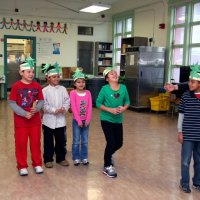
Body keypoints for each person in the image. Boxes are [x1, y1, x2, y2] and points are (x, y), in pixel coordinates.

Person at [9, 57, 44, 176]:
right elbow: (12, 103)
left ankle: (37, 163)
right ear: (21, 72)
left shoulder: (37, 86)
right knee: (21, 143)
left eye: (32, 71)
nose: (31, 74)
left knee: (35, 143)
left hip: (35, 121)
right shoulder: (16, 86)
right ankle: (22, 165)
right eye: (28, 71)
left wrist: (37, 109)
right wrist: (24, 113)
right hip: (21, 122)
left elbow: (41, 101)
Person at [96, 67, 130, 178]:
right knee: (111, 142)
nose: (114, 74)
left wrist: (124, 108)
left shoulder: (123, 88)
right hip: (106, 119)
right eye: (111, 74)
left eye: (115, 73)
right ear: (107, 79)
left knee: (119, 143)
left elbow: (127, 102)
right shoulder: (104, 89)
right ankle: (107, 166)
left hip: (118, 119)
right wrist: (110, 110)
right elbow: (98, 103)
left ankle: (108, 155)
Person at [42, 63, 70, 168]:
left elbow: (67, 101)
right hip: (48, 121)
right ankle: (48, 159)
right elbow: (44, 105)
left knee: (60, 141)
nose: (56, 78)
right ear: (48, 78)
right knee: (48, 141)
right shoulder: (44, 91)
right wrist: (54, 110)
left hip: (60, 121)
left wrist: (63, 108)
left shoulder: (62, 89)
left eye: (58, 76)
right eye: (54, 77)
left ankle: (61, 158)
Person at [178, 64, 200, 193]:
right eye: (189, 81)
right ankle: (184, 182)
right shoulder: (186, 96)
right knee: (185, 161)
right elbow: (181, 115)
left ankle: (197, 182)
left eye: (193, 82)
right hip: (188, 135)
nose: (190, 84)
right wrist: (180, 132)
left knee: (199, 160)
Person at [70, 68, 92, 166]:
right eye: (78, 82)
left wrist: (87, 119)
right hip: (76, 121)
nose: (81, 84)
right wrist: (78, 120)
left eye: (83, 82)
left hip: (86, 121)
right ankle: (76, 157)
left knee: (85, 141)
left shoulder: (88, 93)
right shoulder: (73, 93)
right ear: (75, 84)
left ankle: (84, 157)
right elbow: (74, 108)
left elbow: (90, 107)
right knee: (76, 141)